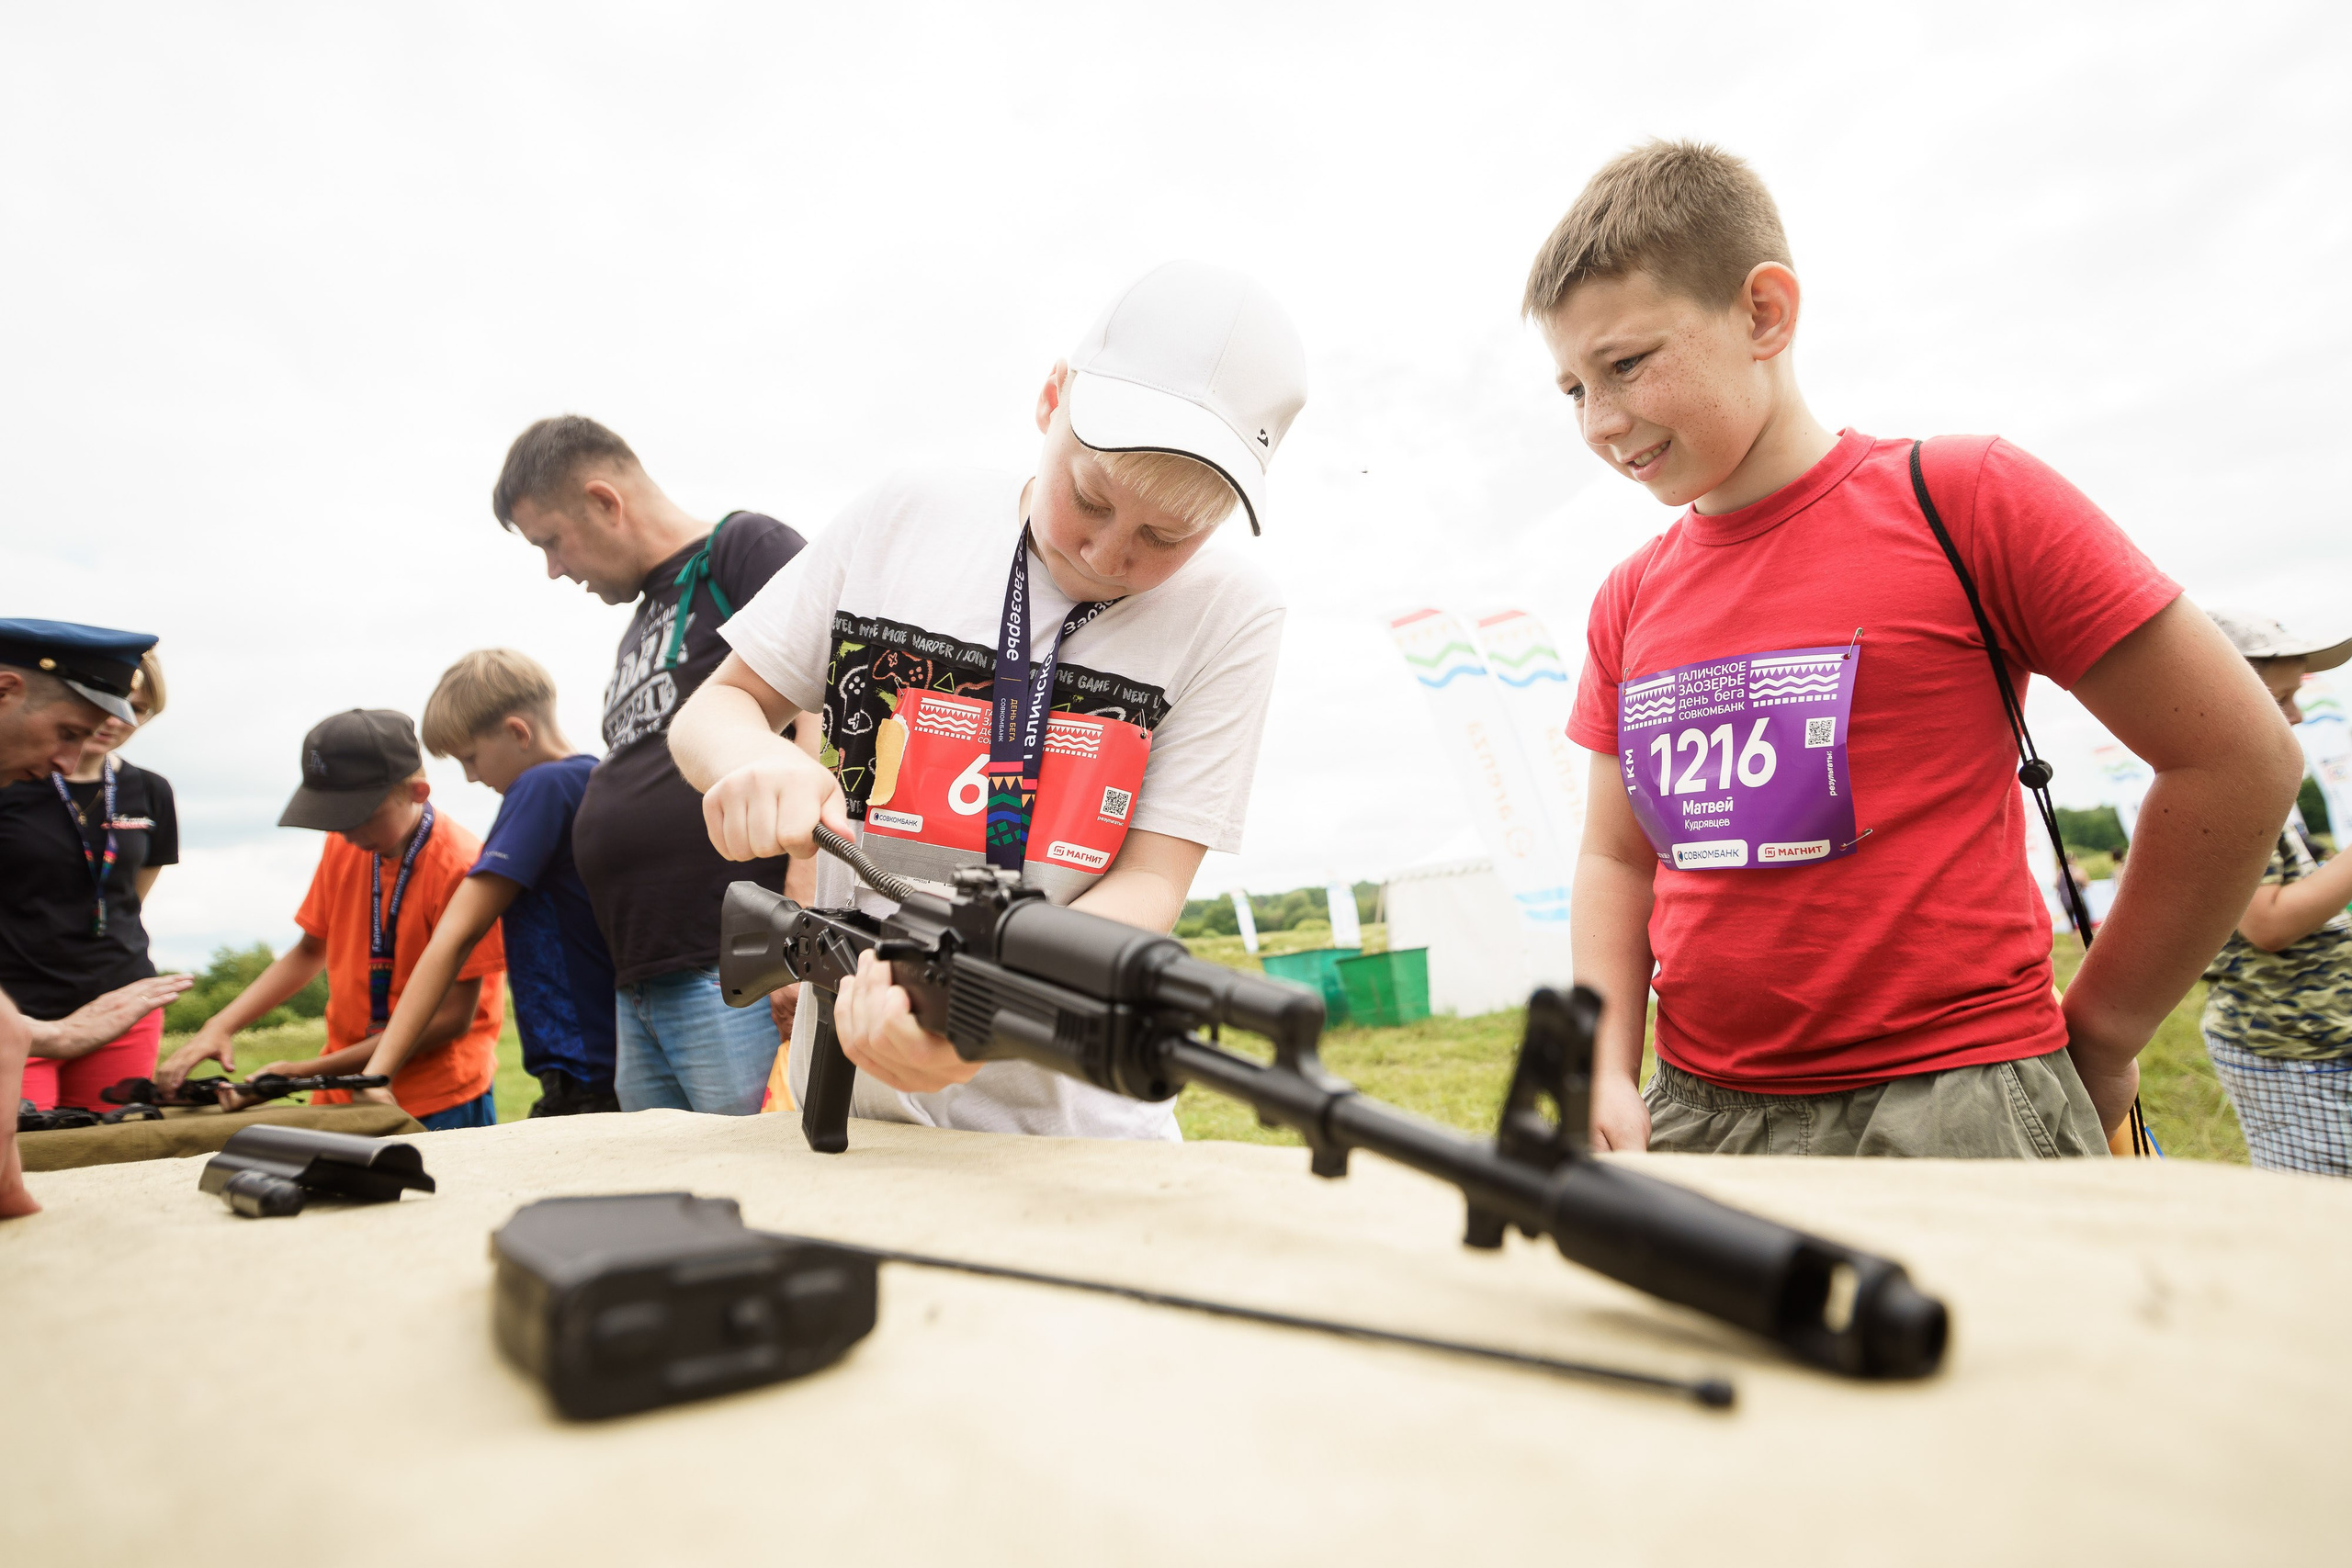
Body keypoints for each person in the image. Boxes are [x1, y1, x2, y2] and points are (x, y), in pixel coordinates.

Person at [1532, 141, 2301, 1157]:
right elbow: (1617, 856)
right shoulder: (1629, 597)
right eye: (1571, 388)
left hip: (1958, 1105)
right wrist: (1602, 1066)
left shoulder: (1967, 497)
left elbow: (2239, 759)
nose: (1598, 421)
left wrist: (2109, 1027)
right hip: (1699, 1117)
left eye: (1625, 364)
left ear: (1764, 313)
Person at [669, 260, 1305, 1140]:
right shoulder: (903, 517)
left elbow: (1153, 880)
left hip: (1076, 1127)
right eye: (1089, 496)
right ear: (1052, 399)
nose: (1111, 552)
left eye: (1169, 537)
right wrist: (757, 762)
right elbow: (714, 708)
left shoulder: (1233, 615)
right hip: (850, 1109)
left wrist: (986, 1014)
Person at [493, 417, 806, 1115]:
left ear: (606, 501)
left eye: (550, 540)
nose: (553, 568)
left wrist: (800, 922)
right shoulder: (642, 620)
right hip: (639, 981)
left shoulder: (742, 550)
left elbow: (829, 712)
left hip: (731, 969)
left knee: (748, 1188)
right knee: (662, 1195)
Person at [157, 710, 508, 1129]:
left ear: (417, 792)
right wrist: (220, 1026)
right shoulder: (349, 845)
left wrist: (303, 1072)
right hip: (339, 1093)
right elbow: (309, 950)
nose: (343, 830)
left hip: (436, 1099)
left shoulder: (463, 868)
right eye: (332, 815)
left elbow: (452, 1019)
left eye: (357, 814)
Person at [356, 649, 618, 1116]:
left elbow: (457, 932)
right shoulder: (596, 777)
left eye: (471, 758)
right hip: (612, 1053)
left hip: (582, 1069)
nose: (472, 777)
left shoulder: (542, 787)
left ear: (518, 731)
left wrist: (380, 1070)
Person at [0, 620, 189, 1218]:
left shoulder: (149, 791)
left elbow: (134, 895)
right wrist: (37, 1031)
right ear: (6, 689)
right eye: (66, 731)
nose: (65, 761)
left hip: (108, 1002)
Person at [2197, 609, 2352, 1174]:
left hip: (2321, 1041)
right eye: (2281, 699)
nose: (2299, 714)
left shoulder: (2270, 787)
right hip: (2291, 1052)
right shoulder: (2230, 792)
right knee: (2322, 1222)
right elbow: (2268, 923)